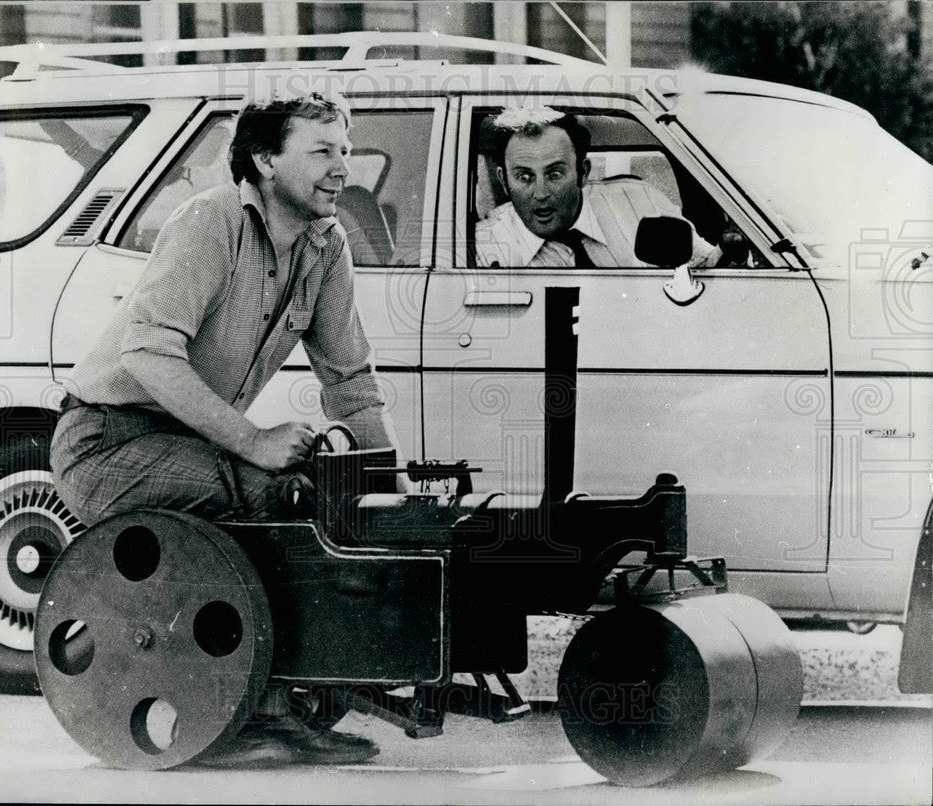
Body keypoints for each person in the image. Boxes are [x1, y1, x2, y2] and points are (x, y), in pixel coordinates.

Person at [50, 91, 397, 767]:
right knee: (269, 491)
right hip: (105, 443)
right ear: (265, 160)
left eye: (346, 151)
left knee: (319, 491)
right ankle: (259, 718)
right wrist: (255, 441)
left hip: (185, 444)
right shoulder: (209, 221)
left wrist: (391, 496)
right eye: (322, 151)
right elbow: (146, 353)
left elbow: (350, 384)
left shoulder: (326, 247)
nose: (341, 169)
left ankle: (292, 699)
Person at [475, 106, 731, 269]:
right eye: (525, 177)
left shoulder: (641, 203)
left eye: (554, 173)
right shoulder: (482, 246)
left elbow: (706, 268)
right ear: (503, 182)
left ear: (582, 173)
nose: (541, 193)